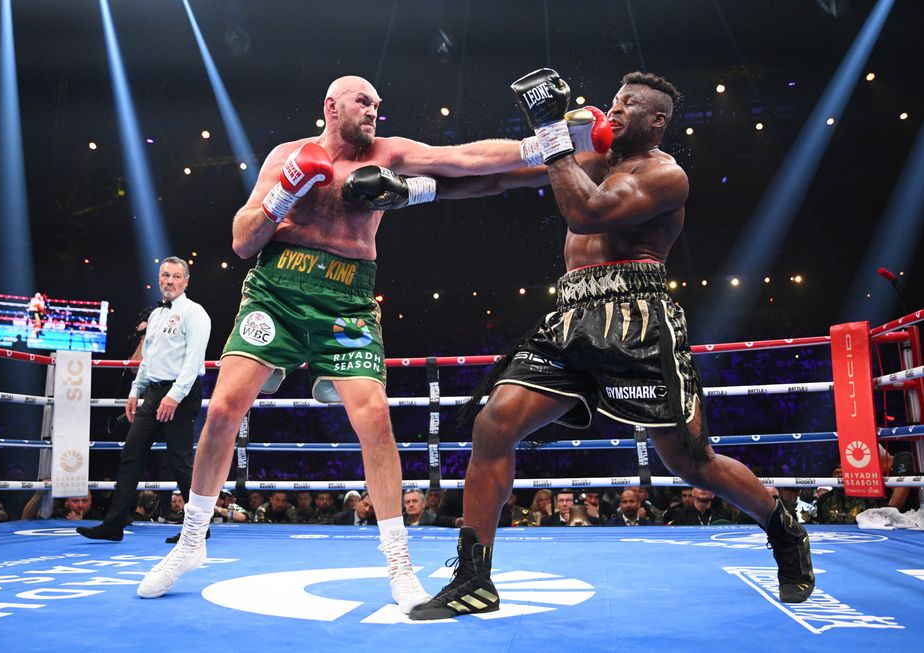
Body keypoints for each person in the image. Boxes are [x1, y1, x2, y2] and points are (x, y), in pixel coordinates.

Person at [406, 69, 814, 620]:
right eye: (615, 101)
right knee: (494, 422)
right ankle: (474, 579)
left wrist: (552, 132)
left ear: (657, 122)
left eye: (630, 105)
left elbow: (587, 213)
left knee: (691, 463)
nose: (614, 110)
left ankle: (785, 530)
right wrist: (413, 190)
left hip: (637, 318)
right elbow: (502, 178)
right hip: (572, 314)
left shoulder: (665, 176)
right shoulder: (588, 161)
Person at [137, 74, 545, 612]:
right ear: (331, 107)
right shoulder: (289, 154)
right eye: (363, 101)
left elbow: (464, 160)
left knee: (375, 416)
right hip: (277, 292)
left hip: (348, 301)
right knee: (222, 411)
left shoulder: (389, 153)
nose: (374, 110)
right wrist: (286, 192)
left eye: (378, 103)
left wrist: (551, 145)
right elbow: (242, 241)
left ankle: (399, 563)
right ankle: (191, 542)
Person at [77, 257, 211, 542]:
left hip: (181, 394)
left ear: (186, 281)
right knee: (131, 454)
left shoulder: (195, 313)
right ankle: (114, 525)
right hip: (152, 393)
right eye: (165, 275)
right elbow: (148, 359)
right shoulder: (156, 316)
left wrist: (174, 395)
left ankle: (199, 528)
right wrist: (135, 391)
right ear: (159, 278)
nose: (170, 281)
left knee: (179, 459)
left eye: (176, 276)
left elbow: (193, 361)